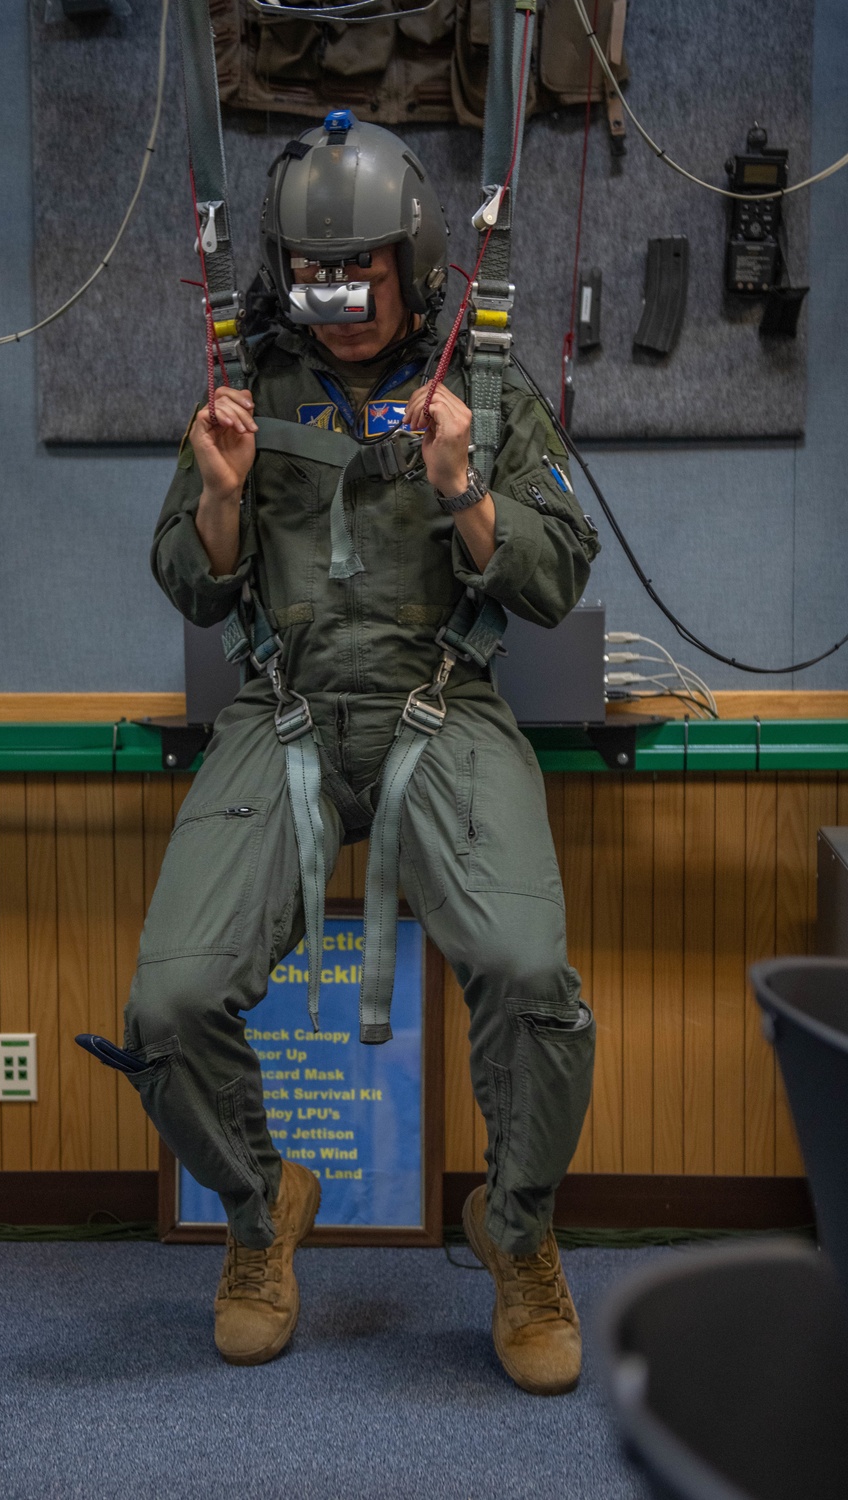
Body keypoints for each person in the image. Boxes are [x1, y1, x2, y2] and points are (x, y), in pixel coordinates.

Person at [123, 116, 601, 1395]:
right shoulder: (250, 393)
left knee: (528, 974)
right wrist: (220, 496)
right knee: (164, 1011)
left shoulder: (483, 391)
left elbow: (555, 577)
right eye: (308, 276)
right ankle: (256, 1208)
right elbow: (191, 586)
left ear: (416, 257)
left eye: (358, 276)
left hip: (441, 708)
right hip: (280, 714)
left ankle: (515, 1235)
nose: (332, 304)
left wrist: (461, 483)